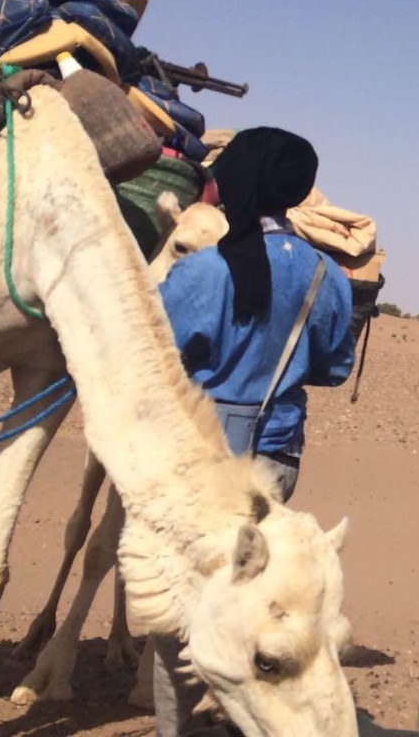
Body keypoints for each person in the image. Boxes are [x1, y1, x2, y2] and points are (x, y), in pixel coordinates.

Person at [153, 125, 356, 736]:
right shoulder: (328, 277)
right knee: (254, 611)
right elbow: (334, 368)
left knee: (185, 621)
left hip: (201, 462)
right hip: (277, 457)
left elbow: (159, 353)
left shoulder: (204, 271)